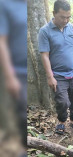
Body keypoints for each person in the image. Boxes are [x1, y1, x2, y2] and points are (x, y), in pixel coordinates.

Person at [38, 0, 73, 135]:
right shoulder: (45, 31)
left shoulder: (72, 28)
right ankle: (61, 121)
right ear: (54, 13)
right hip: (58, 74)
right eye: (62, 17)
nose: (66, 20)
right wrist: (50, 76)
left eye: (68, 17)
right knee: (62, 101)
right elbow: (44, 55)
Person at [0, 0, 27, 155]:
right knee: (16, 120)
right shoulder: (4, 4)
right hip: (15, 73)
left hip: (25, 72)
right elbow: (1, 41)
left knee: (22, 117)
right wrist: (10, 76)